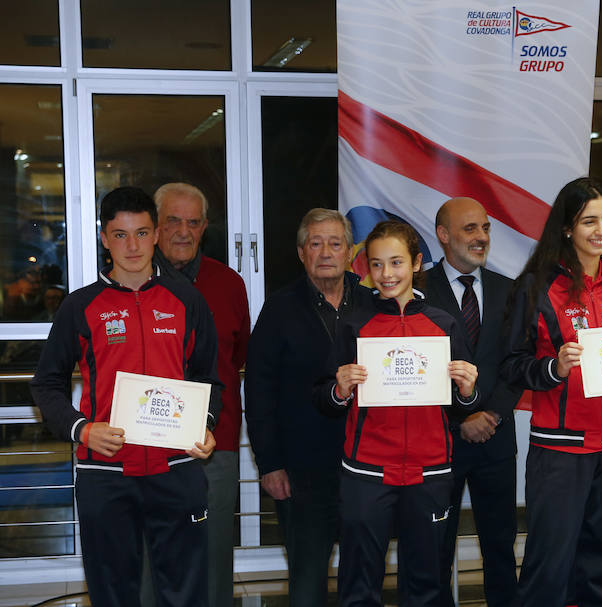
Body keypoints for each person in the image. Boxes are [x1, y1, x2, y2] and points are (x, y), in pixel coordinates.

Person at [30, 186, 221, 607]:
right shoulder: (81, 306)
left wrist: (205, 425)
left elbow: (210, 378)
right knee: (113, 594)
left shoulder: (187, 301)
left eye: (141, 233)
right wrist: (82, 429)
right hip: (106, 476)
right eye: (120, 235)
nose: (131, 246)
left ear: (156, 235)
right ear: (104, 238)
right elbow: (46, 384)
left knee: (185, 592)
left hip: (176, 469)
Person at [501, 177, 602, 607]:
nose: (601, 230)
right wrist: (554, 367)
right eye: (588, 221)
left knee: (600, 563)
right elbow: (511, 365)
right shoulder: (536, 287)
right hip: (561, 451)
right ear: (566, 228)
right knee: (550, 564)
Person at [316, 220, 480, 606]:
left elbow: (462, 406)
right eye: (376, 265)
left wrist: (469, 390)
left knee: (425, 585)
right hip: (367, 472)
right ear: (366, 269)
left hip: (430, 472)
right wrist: (339, 389)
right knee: (359, 584)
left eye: (396, 263)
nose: (386, 274)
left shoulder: (444, 323)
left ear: (416, 262)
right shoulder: (355, 323)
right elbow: (322, 397)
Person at [245, 208, 369, 606]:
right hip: (301, 471)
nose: (326, 252)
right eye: (316, 243)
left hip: (366, 466)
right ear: (302, 252)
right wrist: (270, 464)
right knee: (307, 576)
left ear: (350, 252)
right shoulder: (279, 309)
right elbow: (259, 392)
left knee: (363, 571)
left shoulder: (374, 304)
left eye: (335, 243)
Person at [146, 182, 250, 606]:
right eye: (173, 220)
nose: (183, 231)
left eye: (193, 222)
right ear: (154, 226)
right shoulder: (135, 282)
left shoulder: (229, 283)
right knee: (150, 562)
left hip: (214, 446)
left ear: (205, 227)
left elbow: (237, 354)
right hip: (146, 446)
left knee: (212, 560)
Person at [426, 197, 521, 607]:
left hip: (496, 440)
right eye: (470, 229)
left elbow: (517, 362)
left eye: (485, 228)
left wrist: (493, 414)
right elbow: (418, 369)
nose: (481, 237)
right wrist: (461, 418)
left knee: (500, 545)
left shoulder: (509, 289)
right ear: (444, 235)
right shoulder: (417, 291)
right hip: (441, 440)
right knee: (435, 548)